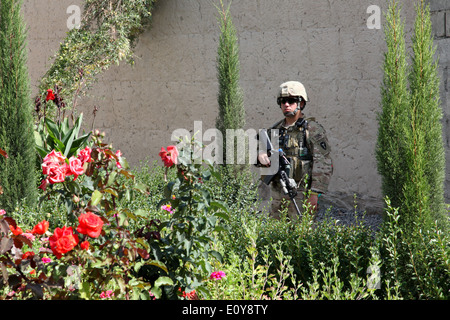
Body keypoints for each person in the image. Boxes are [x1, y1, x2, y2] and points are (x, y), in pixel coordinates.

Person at [257, 81, 333, 220]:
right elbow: (259, 152)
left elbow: (324, 163)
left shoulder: (311, 129)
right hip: (277, 195)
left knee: (302, 236)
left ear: (301, 103)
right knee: (275, 236)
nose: (286, 104)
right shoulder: (275, 131)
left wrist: (315, 194)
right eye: (283, 101)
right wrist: (260, 155)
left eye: (291, 100)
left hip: (301, 195)